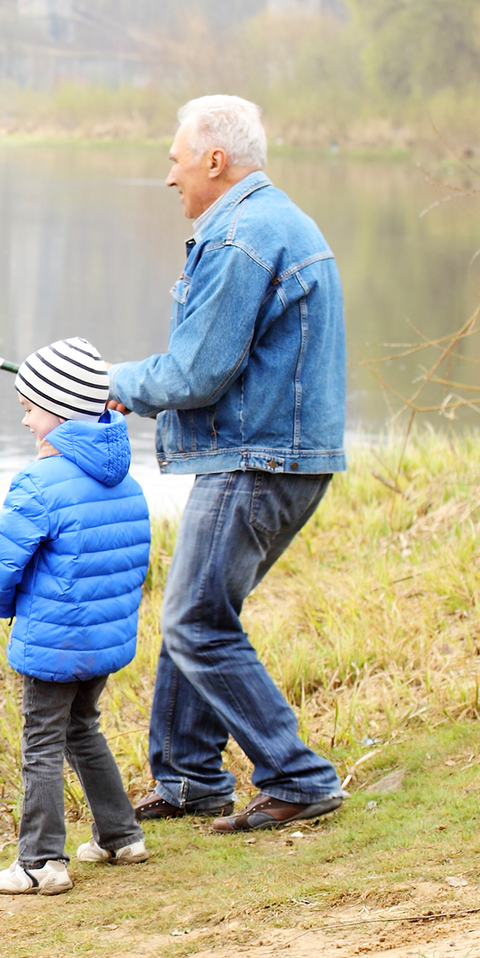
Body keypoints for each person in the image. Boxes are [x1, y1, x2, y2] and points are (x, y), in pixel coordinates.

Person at [107, 94, 348, 834]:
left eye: (175, 159)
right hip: (273, 454)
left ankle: (297, 776)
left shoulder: (241, 235)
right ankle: (188, 777)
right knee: (200, 613)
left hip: (258, 458)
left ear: (215, 159)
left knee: (194, 621)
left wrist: (109, 382)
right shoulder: (271, 221)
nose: (169, 175)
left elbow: (195, 373)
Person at [0, 338, 152, 896]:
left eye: (29, 407)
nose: (25, 420)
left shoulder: (38, 483)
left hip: (54, 643)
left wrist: (5, 606)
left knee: (43, 743)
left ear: (57, 410)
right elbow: (126, 566)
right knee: (82, 728)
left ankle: (40, 861)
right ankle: (121, 835)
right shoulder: (128, 482)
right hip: (103, 641)